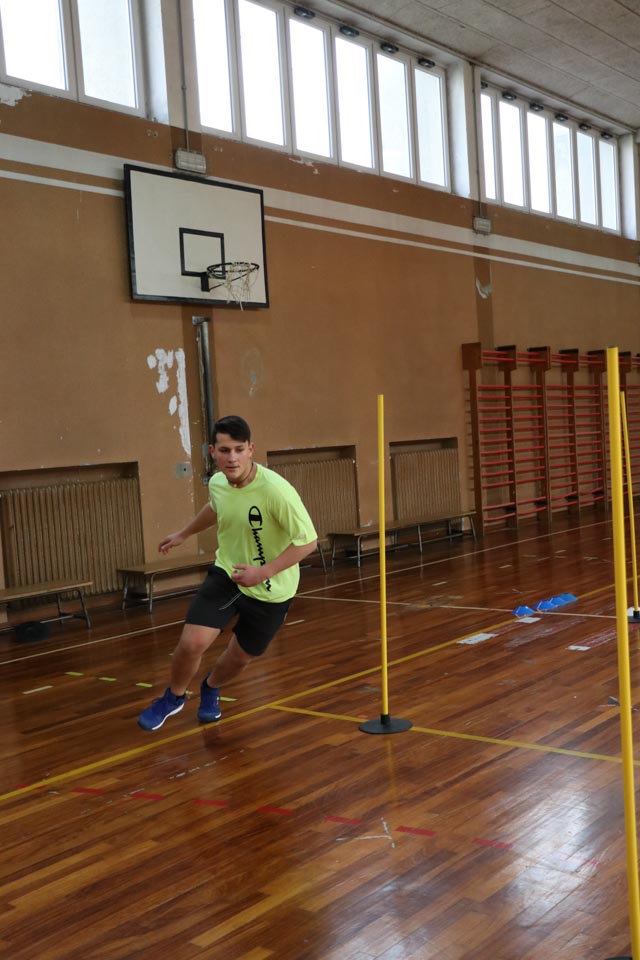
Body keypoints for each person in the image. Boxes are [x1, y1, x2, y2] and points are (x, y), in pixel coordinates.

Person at [138, 415, 318, 731]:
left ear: (251, 449)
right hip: (228, 575)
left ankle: (211, 687)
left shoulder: (277, 491)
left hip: (271, 590)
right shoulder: (219, 483)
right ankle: (174, 697)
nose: (231, 458)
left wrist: (263, 572)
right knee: (192, 642)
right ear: (212, 452)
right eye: (224, 450)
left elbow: (308, 542)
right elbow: (215, 507)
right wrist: (184, 533)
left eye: (238, 449)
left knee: (239, 658)